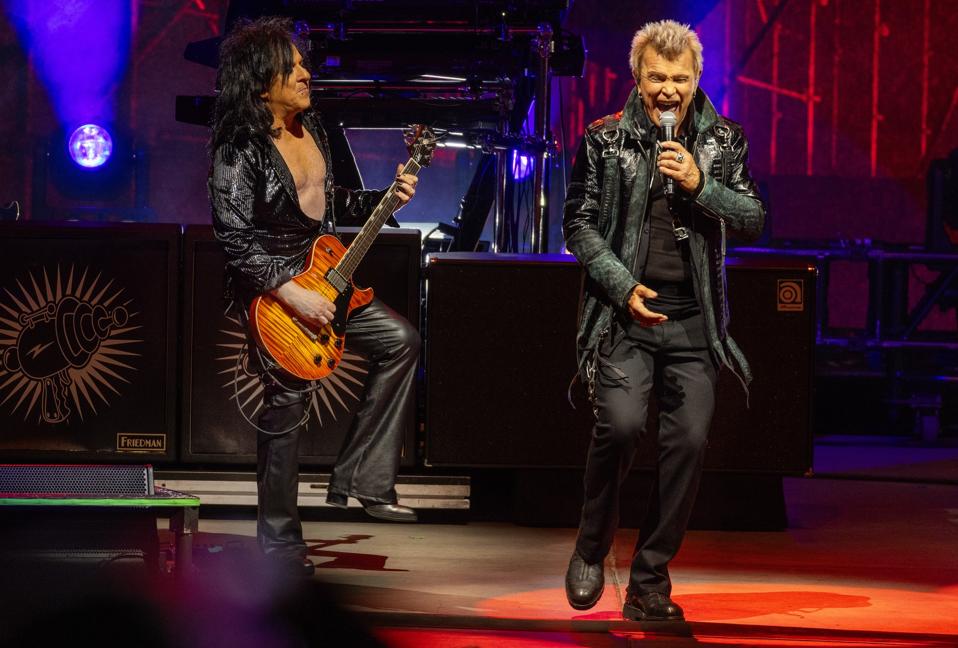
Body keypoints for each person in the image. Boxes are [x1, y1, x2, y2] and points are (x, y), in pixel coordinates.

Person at [562, 20, 765, 621]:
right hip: (626, 317)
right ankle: (591, 546)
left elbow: (753, 217)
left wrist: (701, 184)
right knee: (622, 428)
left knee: (689, 444)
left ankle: (650, 579)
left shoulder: (724, 141)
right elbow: (578, 225)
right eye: (657, 78)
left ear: (697, 78)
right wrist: (623, 287)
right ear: (637, 77)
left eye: (680, 78)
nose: (669, 90)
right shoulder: (605, 139)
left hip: (695, 323)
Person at [208, 17, 421, 577]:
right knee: (286, 406)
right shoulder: (240, 146)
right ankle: (280, 546)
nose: (307, 73)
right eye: (294, 66)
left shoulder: (315, 128)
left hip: (327, 274)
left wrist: (386, 198)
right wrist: (292, 296)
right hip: (274, 293)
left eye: (304, 64)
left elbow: (331, 201)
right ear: (263, 81)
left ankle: (362, 479)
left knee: (400, 340)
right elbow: (233, 237)